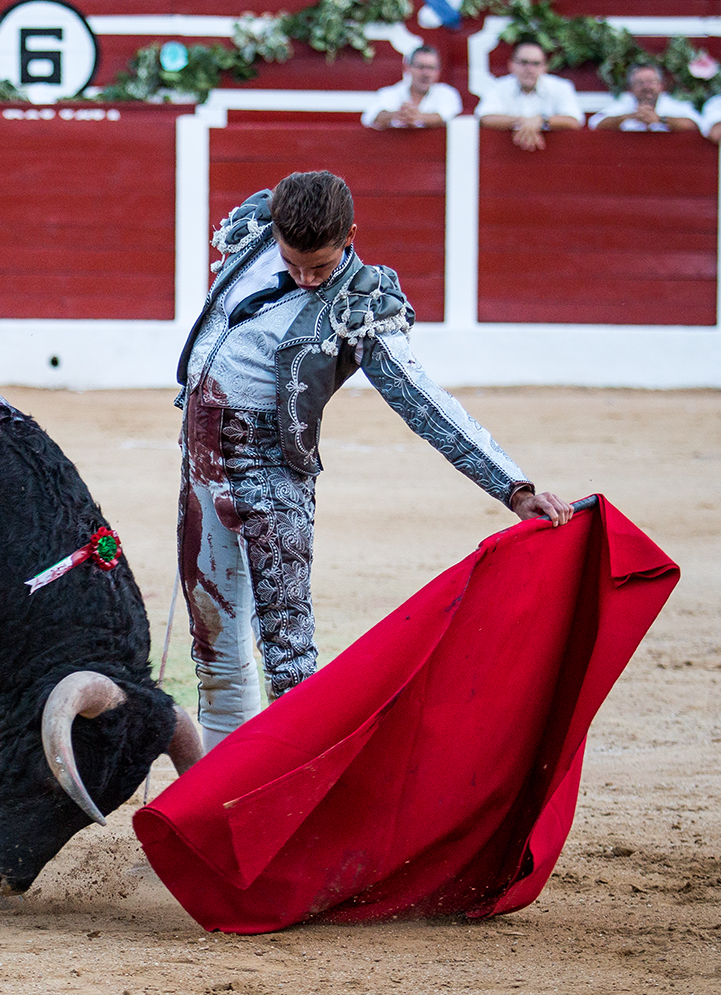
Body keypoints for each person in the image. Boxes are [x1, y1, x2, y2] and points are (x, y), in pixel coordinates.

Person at [175, 171, 571, 751]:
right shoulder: (257, 232)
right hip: (199, 459)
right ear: (276, 232)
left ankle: (297, 794)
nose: (307, 278)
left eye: (320, 267)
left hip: (271, 473)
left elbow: (423, 401)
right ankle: (215, 796)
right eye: (294, 264)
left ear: (351, 235)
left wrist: (511, 487)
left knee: (290, 660)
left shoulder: (361, 302)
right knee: (213, 645)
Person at [475, 41, 583, 151]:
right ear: (511, 65)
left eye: (536, 64)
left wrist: (541, 120)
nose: (529, 69)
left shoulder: (561, 87)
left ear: (545, 67)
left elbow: (574, 120)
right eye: (523, 62)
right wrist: (525, 122)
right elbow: (485, 118)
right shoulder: (499, 86)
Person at [361, 45, 463, 130]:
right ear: (408, 68)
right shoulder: (390, 93)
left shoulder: (447, 94)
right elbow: (370, 117)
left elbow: (448, 116)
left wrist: (415, 117)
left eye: (431, 68)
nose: (426, 73)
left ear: (438, 71)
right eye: (421, 67)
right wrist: (396, 115)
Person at [588, 63, 700, 133]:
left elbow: (695, 124)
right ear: (630, 88)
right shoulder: (624, 103)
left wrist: (660, 120)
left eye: (651, 82)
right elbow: (596, 124)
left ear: (661, 85)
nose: (646, 87)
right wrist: (630, 116)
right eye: (640, 83)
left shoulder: (673, 104)